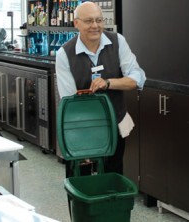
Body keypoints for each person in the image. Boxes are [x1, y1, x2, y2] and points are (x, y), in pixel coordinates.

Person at [56, 2, 146, 177]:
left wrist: (109, 83)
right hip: (81, 128)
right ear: (76, 23)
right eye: (89, 21)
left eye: (99, 20)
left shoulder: (118, 41)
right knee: (80, 179)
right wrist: (86, 138)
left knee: (113, 176)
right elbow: (70, 101)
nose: (95, 26)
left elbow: (137, 77)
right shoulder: (64, 54)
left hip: (115, 124)